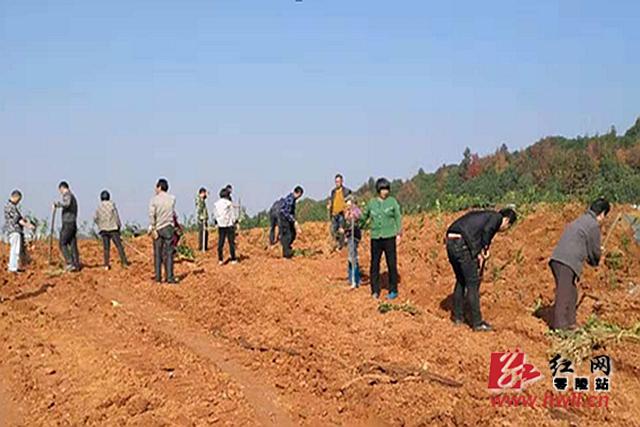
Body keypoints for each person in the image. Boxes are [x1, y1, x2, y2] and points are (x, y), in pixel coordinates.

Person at [445, 207, 518, 332]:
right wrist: (484, 249)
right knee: (472, 283)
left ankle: (457, 317)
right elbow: (487, 231)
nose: (505, 230)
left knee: (461, 280)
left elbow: (475, 233)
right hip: (462, 243)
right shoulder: (496, 217)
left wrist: (477, 252)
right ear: (507, 220)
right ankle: (477, 323)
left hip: (450, 241)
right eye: (508, 227)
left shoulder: (484, 215)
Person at [550, 198, 610, 331]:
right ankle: (560, 328)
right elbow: (593, 250)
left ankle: (570, 324)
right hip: (566, 262)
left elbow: (583, 245)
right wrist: (597, 257)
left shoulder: (581, 220)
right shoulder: (593, 225)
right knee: (564, 294)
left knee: (571, 293)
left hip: (558, 260)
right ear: (602, 214)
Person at [359, 178, 402, 300]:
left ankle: (393, 290)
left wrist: (399, 233)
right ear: (378, 190)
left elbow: (398, 217)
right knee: (374, 264)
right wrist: (356, 220)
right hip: (376, 238)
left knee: (391, 264)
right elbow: (364, 217)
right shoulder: (371, 203)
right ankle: (375, 290)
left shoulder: (392, 202)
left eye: (387, 189)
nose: (385, 192)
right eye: (383, 189)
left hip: (389, 237)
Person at [148, 178, 177, 284]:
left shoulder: (154, 200)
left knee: (157, 253)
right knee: (169, 253)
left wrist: (152, 227)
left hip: (158, 228)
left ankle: (158, 277)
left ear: (159, 187)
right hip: (169, 227)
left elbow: (152, 215)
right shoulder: (172, 198)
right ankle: (169, 277)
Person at [93, 190, 129, 270]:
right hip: (113, 228)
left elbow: (95, 218)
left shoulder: (99, 207)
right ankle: (124, 262)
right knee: (119, 246)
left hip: (103, 229)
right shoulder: (112, 205)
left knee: (106, 248)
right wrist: (119, 226)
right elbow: (116, 217)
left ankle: (106, 265)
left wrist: (100, 225)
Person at [3, 190, 34, 273]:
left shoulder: (10, 206)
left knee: (15, 249)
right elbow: (18, 220)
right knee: (15, 249)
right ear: (15, 197)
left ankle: (14, 266)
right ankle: (13, 268)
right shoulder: (11, 207)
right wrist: (28, 225)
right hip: (14, 231)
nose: (18, 202)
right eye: (19, 199)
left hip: (13, 230)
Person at [53, 181, 81, 272]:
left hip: (68, 223)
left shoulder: (67, 195)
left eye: (60, 190)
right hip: (72, 222)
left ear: (62, 188)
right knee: (72, 244)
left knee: (62, 243)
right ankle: (76, 264)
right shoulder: (73, 196)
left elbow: (67, 203)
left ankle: (70, 263)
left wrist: (58, 205)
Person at [214, 187, 239, 265]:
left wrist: (217, 222)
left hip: (220, 225)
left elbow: (215, 215)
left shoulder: (216, 204)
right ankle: (233, 258)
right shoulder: (229, 203)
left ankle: (220, 259)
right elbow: (233, 214)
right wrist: (235, 222)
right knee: (231, 242)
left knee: (220, 242)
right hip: (229, 224)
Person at [326, 174, 352, 250]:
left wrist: (348, 207)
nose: (337, 183)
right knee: (334, 230)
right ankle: (338, 242)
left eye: (339, 181)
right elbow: (331, 200)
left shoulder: (346, 191)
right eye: (336, 181)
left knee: (341, 229)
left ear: (342, 181)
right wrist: (329, 205)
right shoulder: (333, 191)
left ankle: (341, 245)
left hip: (342, 213)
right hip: (334, 213)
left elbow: (350, 199)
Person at [278, 186, 304, 258]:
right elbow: (287, 212)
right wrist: (294, 221)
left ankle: (287, 247)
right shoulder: (290, 199)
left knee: (293, 233)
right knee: (288, 235)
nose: (299, 197)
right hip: (284, 218)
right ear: (298, 193)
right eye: (300, 195)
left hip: (288, 218)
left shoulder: (292, 198)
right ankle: (286, 253)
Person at [342, 196, 362, 288]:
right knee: (350, 258)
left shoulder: (356, 210)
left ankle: (355, 280)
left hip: (355, 236)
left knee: (353, 257)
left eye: (348, 202)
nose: (347, 204)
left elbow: (358, 217)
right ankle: (351, 279)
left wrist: (352, 214)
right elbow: (346, 223)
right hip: (349, 236)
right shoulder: (346, 212)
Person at [195, 187, 209, 251]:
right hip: (201, 218)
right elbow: (200, 208)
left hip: (204, 218)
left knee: (205, 233)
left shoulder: (202, 200)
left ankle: (204, 246)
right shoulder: (199, 200)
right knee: (202, 233)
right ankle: (201, 247)